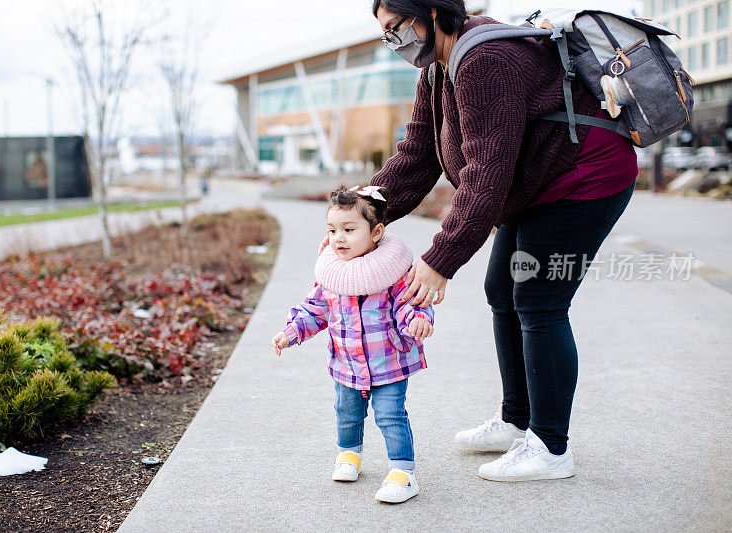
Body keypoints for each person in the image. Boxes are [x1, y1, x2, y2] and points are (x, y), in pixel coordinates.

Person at [370, 0, 638, 481]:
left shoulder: (485, 61)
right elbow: (417, 155)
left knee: (539, 300)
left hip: (585, 177)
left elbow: (485, 178)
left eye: (398, 29)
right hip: (537, 182)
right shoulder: (438, 70)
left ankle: (551, 448)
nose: (394, 43)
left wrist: (440, 260)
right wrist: (363, 211)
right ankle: (518, 423)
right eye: (386, 34)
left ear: (432, 13)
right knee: (502, 292)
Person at [271, 185, 434, 503]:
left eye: (349, 229)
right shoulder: (332, 274)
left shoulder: (392, 273)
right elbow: (315, 309)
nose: (338, 238)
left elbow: (409, 302)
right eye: (332, 230)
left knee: (390, 414)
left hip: (388, 361)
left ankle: (403, 472)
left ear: (376, 232)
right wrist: (291, 332)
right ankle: (349, 455)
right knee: (346, 412)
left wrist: (417, 320)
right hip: (346, 362)